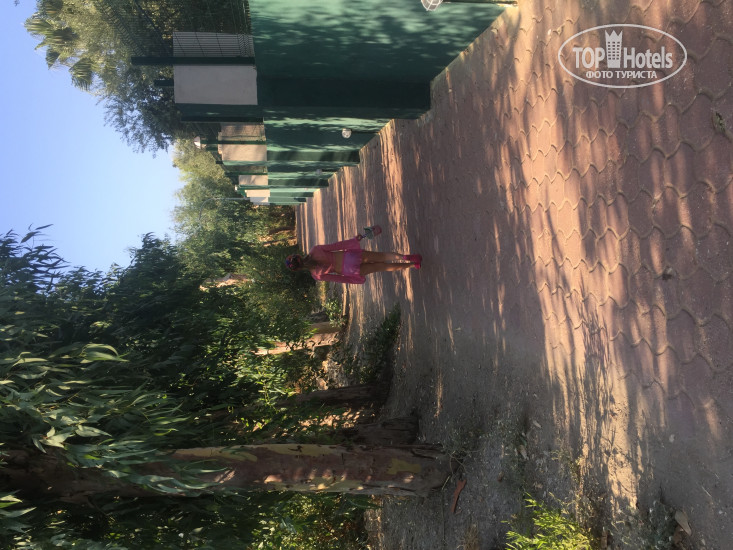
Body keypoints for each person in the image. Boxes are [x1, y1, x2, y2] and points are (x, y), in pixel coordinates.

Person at [285, 234, 422, 285]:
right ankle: (404, 257)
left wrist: (353, 280)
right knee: (382, 256)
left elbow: (338, 279)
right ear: (298, 256)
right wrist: (354, 240)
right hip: (349, 257)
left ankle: (412, 265)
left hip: (349, 270)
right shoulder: (315, 250)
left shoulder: (316, 276)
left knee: (382, 267)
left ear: (299, 268)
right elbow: (336, 246)